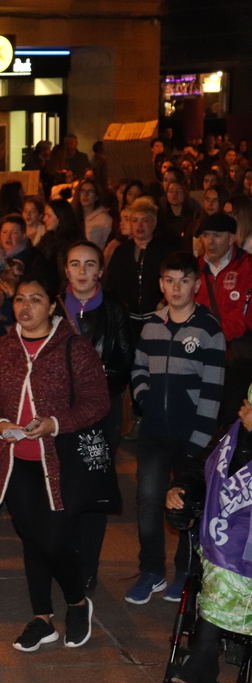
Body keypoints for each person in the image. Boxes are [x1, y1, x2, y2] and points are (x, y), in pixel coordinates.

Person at [0, 270, 109, 652]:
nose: (26, 306)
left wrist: (55, 423)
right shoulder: (2, 348)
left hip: (61, 462)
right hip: (17, 461)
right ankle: (42, 618)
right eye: (20, 299)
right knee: (32, 540)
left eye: (36, 299)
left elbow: (98, 402)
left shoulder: (74, 347)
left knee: (52, 540)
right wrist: (1, 425)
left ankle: (77, 603)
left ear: (53, 306)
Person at [125, 251, 225, 605]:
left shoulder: (209, 329)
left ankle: (186, 569)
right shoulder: (152, 324)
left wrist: (200, 441)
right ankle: (152, 570)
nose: (176, 287)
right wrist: (144, 397)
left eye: (184, 280)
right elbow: (138, 366)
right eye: (170, 280)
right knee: (148, 501)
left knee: (185, 506)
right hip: (154, 430)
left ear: (196, 285)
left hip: (191, 434)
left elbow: (213, 389)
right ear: (161, 285)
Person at [63, 241, 134, 592]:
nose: (82, 271)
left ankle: (87, 566)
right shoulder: (51, 307)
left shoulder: (114, 309)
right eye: (75, 264)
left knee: (93, 490)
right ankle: (65, 558)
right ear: (66, 270)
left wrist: (91, 383)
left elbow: (124, 363)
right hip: (58, 413)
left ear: (100, 271)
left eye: (90, 264)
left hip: (101, 411)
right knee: (61, 486)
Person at [165, 403, 252, 683]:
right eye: (245, 402)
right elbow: (200, 468)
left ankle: (203, 659)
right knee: (220, 562)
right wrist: (182, 487)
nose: (243, 409)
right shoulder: (230, 434)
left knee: (226, 563)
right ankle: (203, 658)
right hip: (224, 539)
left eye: (250, 405)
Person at [194, 213, 252, 424]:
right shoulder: (195, 267)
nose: (210, 241)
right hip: (200, 356)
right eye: (206, 235)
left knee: (230, 417)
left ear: (231, 238)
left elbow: (244, 316)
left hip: (232, 359)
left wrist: (211, 337)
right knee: (202, 416)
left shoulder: (246, 266)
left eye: (217, 235)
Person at [105, 199, 180, 341]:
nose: (139, 225)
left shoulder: (166, 251)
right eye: (135, 220)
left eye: (145, 220)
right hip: (128, 322)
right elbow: (111, 285)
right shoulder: (121, 251)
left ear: (154, 222)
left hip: (159, 318)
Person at [36, 199, 82, 271]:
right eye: (45, 215)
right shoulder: (49, 237)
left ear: (60, 217)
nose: (44, 219)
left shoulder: (71, 241)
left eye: (49, 216)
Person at [0, 214, 39, 278]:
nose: (8, 237)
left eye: (14, 233)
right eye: (4, 232)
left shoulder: (31, 258)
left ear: (23, 236)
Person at [159, 182, 201, 248]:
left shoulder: (193, 215)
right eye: (171, 191)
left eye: (179, 191)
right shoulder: (162, 217)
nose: (174, 194)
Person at [76, 179, 112, 249]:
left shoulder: (104, 219)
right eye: (83, 191)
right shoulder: (73, 216)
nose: (86, 195)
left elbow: (106, 246)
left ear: (96, 197)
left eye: (90, 192)